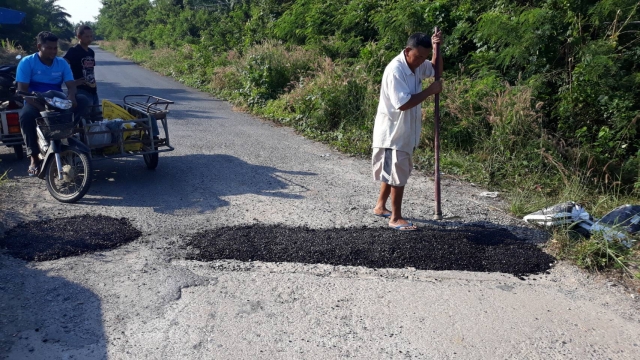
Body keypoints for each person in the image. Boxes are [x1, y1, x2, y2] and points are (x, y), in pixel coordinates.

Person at [371, 30, 443, 231]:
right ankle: (395, 217)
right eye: (418, 56)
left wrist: (437, 49)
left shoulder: (417, 65)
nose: (422, 61)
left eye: (425, 57)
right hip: (392, 131)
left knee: (394, 170)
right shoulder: (397, 69)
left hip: (405, 130)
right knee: (397, 172)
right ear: (407, 51)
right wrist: (430, 91)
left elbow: (436, 71)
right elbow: (402, 104)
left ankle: (380, 206)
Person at [16, 31, 89, 176]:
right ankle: (34, 157)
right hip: (34, 100)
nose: (53, 51)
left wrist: (72, 97)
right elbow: (22, 91)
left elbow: (71, 85)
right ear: (39, 46)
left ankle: (68, 132)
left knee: (83, 100)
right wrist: (42, 108)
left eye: (55, 48)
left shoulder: (61, 63)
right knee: (25, 116)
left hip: (56, 99)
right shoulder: (27, 62)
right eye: (49, 48)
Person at [64, 25, 99, 120]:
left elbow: (90, 70)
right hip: (81, 90)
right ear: (79, 36)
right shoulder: (74, 51)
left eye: (91, 36)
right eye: (87, 36)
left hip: (93, 90)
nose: (90, 39)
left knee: (97, 118)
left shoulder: (91, 52)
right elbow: (62, 66)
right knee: (85, 120)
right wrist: (72, 82)